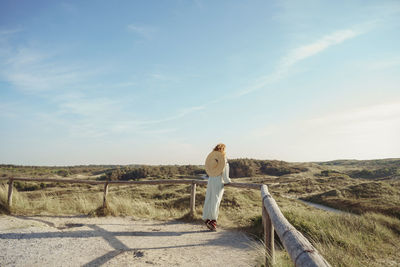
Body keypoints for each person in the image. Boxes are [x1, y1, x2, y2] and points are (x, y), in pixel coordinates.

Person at [202, 143, 231, 231]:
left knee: (209, 199)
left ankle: (207, 218)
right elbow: (225, 175)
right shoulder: (223, 159)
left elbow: (211, 171)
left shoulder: (212, 159)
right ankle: (213, 221)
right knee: (216, 200)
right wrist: (227, 181)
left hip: (211, 180)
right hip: (218, 181)